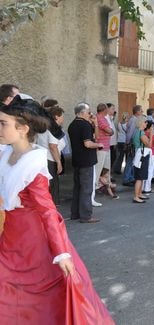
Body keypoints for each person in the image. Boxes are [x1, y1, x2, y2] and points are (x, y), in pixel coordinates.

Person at [0, 96, 114, 324]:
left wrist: (62, 252)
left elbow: (49, 212)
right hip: (9, 234)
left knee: (32, 296)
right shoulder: (5, 153)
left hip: (32, 243)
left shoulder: (34, 165)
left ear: (22, 129)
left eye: (3, 123)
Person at [68, 103, 103, 223]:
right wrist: (99, 145)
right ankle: (86, 216)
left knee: (78, 188)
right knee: (86, 189)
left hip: (77, 160)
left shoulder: (72, 125)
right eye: (89, 112)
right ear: (82, 112)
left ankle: (76, 213)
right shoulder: (85, 125)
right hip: (86, 161)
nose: (91, 114)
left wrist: (95, 123)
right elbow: (88, 143)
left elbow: (95, 136)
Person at [132, 117, 151, 203]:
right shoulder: (141, 133)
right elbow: (148, 144)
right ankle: (136, 196)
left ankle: (139, 194)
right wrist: (151, 134)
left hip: (140, 155)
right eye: (144, 122)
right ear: (140, 123)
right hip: (141, 157)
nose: (146, 124)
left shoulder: (138, 132)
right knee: (140, 177)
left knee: (141, 176)